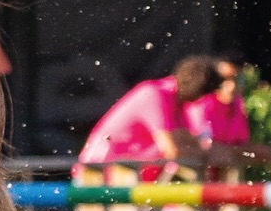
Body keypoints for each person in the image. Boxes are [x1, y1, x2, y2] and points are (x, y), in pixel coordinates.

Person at [77, 55, 226, 182]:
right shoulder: (154, 94)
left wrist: (206, 150)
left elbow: (187, 140)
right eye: (203, 95)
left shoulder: (178, 102)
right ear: (198, 90)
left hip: (126, 173)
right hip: (98, 172)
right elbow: (173, 150)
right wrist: (208, 153)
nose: (201, 101)